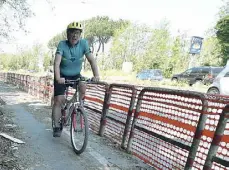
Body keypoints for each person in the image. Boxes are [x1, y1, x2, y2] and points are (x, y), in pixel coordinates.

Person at [52, 21, 100, 137]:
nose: (75, 35)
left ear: (80, 35)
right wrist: (58, 78)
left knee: (83, 87)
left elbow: (92, 60)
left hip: (75, 74)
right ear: (67, 34)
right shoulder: (62, 44)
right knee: (58, 100)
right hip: (62, 75)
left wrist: (96, 75)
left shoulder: (83, 44)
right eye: (72, 32)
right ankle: (57, 126)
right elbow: (57, 63)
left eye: (77, 33)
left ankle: (70, 105)